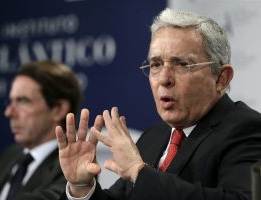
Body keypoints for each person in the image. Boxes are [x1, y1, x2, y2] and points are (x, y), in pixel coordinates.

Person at [55, 8, 261, 200]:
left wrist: (139, 171)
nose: (164, 79)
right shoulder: (153, 138)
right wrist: (81, 188)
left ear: (221, 78)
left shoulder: (247, 129)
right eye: (156, 65)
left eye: (182, 64)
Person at [0, 60, 82, 200]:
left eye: (22, 101)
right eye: (11, 101)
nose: (9, 112)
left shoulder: (73, 168)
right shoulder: (11, 155)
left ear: (58, 109)